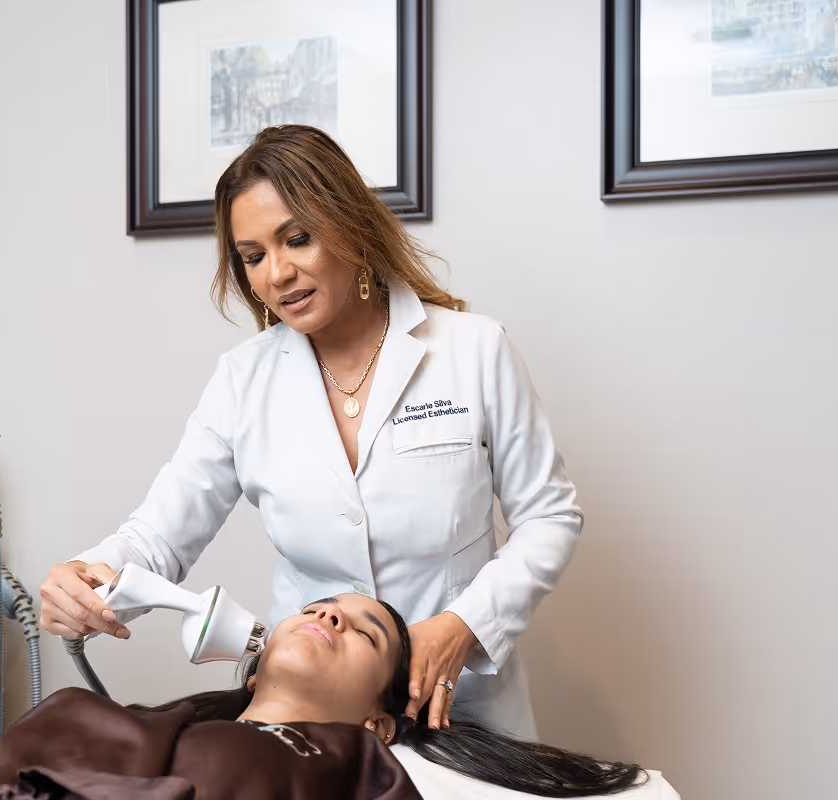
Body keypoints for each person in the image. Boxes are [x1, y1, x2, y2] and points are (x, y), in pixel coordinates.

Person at [39, 124, 582, 738]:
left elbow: (549, 517)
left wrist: (465, 625)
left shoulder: (473, 350)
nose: (278, 274)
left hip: (464, 705)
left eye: (297, 239)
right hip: (313, 719)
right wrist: (85, 578)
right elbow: (159, 536)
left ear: (350, 225)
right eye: (253, 257)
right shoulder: (244, 381)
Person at [0, 594, 642, 799]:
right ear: (251, 671)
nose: (328, 614)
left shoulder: (354, 763)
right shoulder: (143, 720)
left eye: (362, 631)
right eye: (317, 607)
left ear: (380, 723)